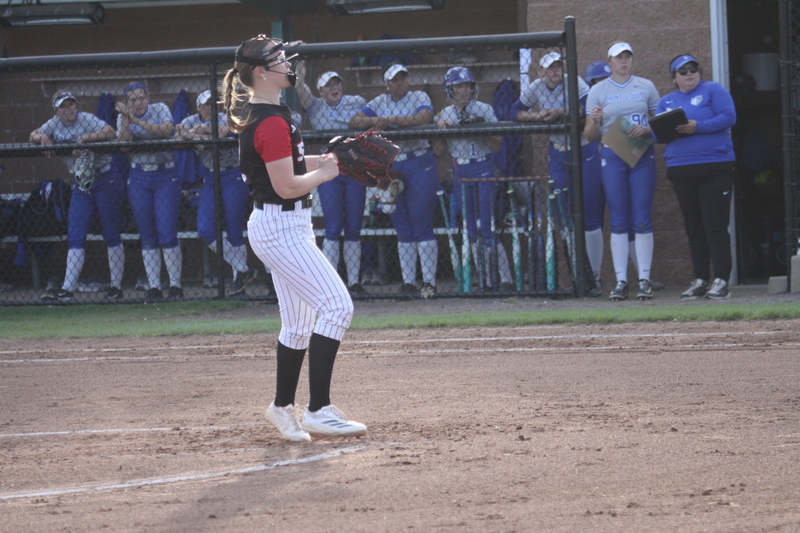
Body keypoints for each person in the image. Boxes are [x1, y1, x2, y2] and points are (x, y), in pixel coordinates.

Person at [222, 35, 366, 442]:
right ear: (262, 73)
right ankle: (319, 409)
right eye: (278, 59)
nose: (287, 62)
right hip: (281, 226)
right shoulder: (268, 120)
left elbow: (289, 165)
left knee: (299, 323)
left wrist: (331, 160)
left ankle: (282, 407)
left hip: (285, 226)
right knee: (338, 306)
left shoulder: (272, 114)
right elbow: (287, 186)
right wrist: (325, 175)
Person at [512, 52, 601, 293]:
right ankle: (576, 276)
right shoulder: (537, 86)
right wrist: (536, 115)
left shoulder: (574, 80)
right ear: (540, 71)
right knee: (564, 216)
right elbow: (513, 112)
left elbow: (586, 108)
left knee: (591, 215)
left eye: (557, 66)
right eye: (549, 68)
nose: (554, 72)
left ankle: (594, 278)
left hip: (584, 148)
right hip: (558, 152)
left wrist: (560, 112)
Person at [349, 63, 440, 299]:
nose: (400, 82)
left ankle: (429, 282)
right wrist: (377, 121)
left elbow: (424, 116)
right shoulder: (380, 100)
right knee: (402, 225)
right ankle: (409, 282)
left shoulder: (418, 95)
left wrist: (392, 120)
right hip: (394, 164)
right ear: (387, 83)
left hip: (420, 161)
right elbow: (355, 121)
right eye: (394, 79)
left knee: (421, 221)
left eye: (403, 78)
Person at [31, 91, 127, 302]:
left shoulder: (85, 119)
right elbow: (33, 135)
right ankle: (67, 289)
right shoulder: (54, 123)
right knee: (75, 234)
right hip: (82, 184)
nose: (69, 109)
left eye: (71, 104)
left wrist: (84, 138)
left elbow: (110, 131)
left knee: (111, 233)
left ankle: (116, 287)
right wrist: (43, 137)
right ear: (57, 110)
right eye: (64, 106)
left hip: (105, 178)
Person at [656, 54, 736, 299]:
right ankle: (700, 278)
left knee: (715, 225)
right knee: (694, 227)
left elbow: (729, 117)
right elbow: (660, 136)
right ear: (674, 78)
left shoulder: (713, 89)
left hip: (715, 166)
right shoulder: (666, 101)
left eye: (693, 69)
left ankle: (722, 279)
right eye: (683, 71)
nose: (689, 74)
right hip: (681, 168)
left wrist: (696, 127)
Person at [585, 42, 660, 301]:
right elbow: (589, 134)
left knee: (641, 217)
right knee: (618, 219)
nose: (624, 61)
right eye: (619, 58)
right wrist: (594, 122)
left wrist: (648, 129)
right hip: (613, 154)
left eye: (628, 56)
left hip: (641, 154)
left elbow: (658, 120)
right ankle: (621, 281)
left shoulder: (646, 86)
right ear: (610, 61)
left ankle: (644, 279)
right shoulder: (598, 90)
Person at [436, 66, 513, 290]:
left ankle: (504, 278)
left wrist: (480, 128)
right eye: (459, 86)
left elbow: (497, 143)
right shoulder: (445, 114)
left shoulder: (484, 109)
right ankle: (484, 278)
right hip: (461, 170)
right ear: (450, 90)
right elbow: (438, 150)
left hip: (483, 166)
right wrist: (440, 129)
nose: (464, 91)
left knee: (487, 226)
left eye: (467, 86)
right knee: (469, 228)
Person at [294, 62, 368, 296]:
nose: (333, 88)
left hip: (354, 168)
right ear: (321, 91)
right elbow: (301, 91)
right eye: (327, 86)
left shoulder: (356, 102)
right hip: (330, 170)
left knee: (354, 227)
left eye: (336, 83)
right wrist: (300, 74)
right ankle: (331, 284)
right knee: (333, 227)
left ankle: (354, 283)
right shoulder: (315, 106)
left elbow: (371, 119)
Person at [175, 89, 256, 296]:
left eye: (213, 104)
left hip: (232, 174)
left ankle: (240, 278)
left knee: (234, 228)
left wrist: (197, 133)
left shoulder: (226, 116)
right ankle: (243, 268)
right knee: (205, 229)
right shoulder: (191, 119)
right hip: (210, 178)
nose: (210, 108)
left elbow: (221, 132)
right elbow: (178, 132)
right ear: (199, 107)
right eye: (206, 104)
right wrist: (198, 132)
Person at [116, 83, 183, 301]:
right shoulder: (123, 116)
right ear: (127, 103)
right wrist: (126, 119)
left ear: (148, 97)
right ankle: (154, 287)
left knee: (167, 231)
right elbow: (124, 145)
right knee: (147, 233)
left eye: (140, 98)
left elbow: (166, 130)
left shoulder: (160, 108)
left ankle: (175, 286)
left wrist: (135, 121)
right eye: (132, 100)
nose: (137, 103)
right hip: (139, 177)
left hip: (165, 175)